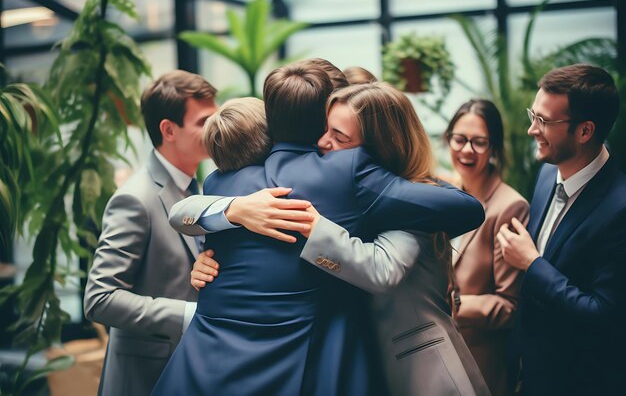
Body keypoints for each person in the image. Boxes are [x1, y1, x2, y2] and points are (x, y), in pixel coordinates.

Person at [153, 61, 485, 396]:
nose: (329, 141)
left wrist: (239, 211)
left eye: (340, 134)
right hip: (318, 364)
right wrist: (235, 210)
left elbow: (182, 213)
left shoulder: (223, 178)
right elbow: (466, 210)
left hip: (206, 367)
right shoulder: (344, 171)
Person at [83, 70, 220, 396]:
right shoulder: (135, 199)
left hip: (188, 370)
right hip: (146, 378)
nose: (216, 128)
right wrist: (188, 314)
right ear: (168, 130)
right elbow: (99, 298)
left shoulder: (197, 186)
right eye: (204, 122)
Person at [496, 64, 626, 396]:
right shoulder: (546, 174)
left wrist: (532, 263)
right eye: (533, 115)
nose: (531, 129)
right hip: (530, 372)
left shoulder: (619, 208)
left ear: (585, 131)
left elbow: (603, 314)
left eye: (544, 121)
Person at [443, 99, 529, 396]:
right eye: (459, 139)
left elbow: (509, 306)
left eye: (479, 142)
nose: (467, 150)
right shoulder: (448, 194)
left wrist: (452, 305)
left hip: (482, 363)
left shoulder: (510, 207)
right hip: (442, 356)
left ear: (494, 148)